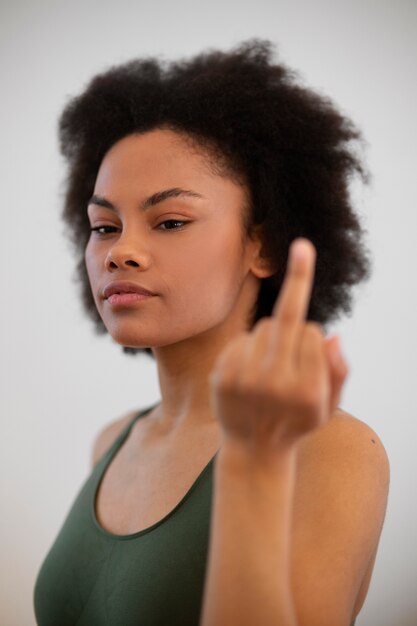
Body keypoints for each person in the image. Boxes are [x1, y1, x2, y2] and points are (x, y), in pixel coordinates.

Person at [33, 39, 390, 626]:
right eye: (103, 226)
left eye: (170, 221)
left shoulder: (330, 450)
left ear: (265, 246)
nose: (121, 250)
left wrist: (253, 461)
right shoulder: (112, 441)